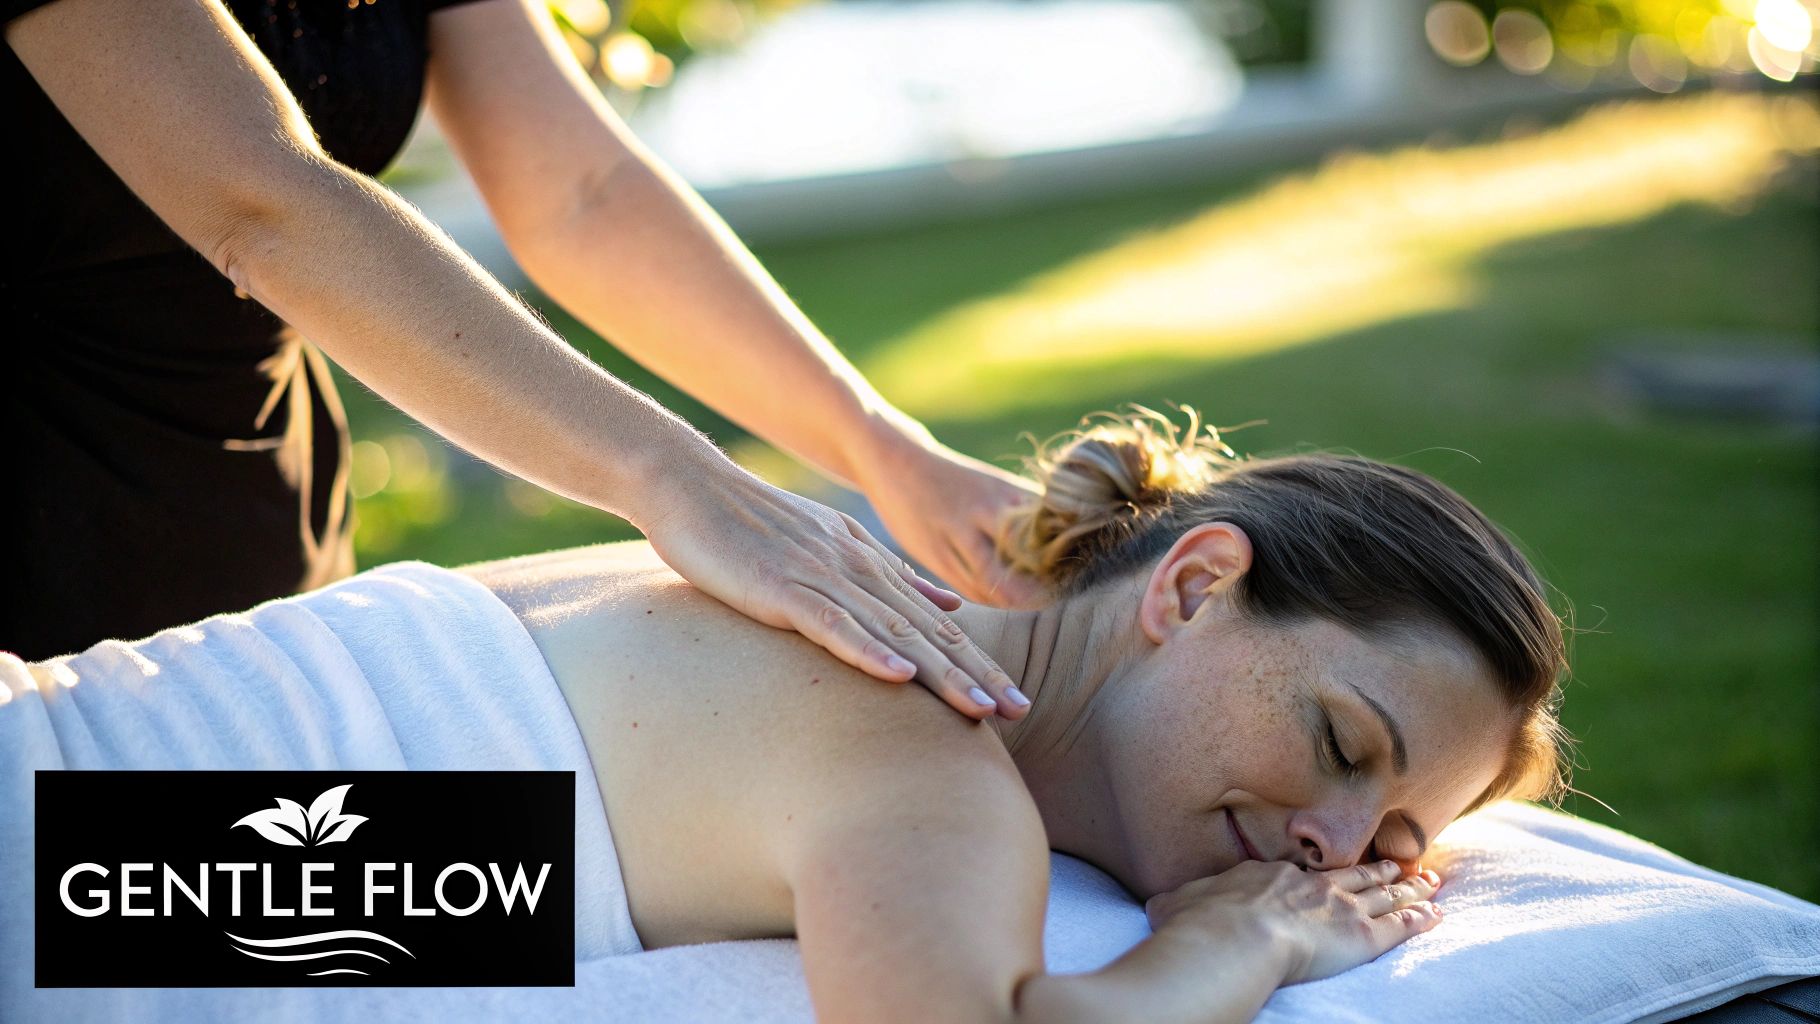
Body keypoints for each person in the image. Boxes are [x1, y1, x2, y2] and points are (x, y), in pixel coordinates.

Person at [0, 0, 1040, 718]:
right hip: (37, 587)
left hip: (261, 551)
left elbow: (579, 194)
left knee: (433, 943)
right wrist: (672, 479)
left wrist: (884, 450)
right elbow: (260, 206)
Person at [449, 408, 1572, 1020]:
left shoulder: (885, 654)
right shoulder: (912, 734)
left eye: (1385, 842)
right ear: (1189, 588)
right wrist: (1241, 936)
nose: (1330, 845)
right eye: (1338, 743)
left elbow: (442, 883)